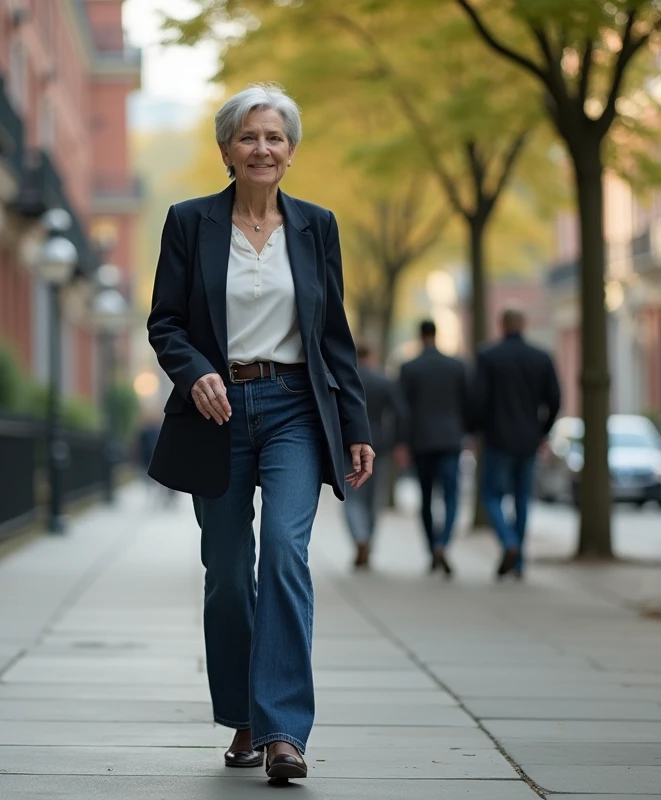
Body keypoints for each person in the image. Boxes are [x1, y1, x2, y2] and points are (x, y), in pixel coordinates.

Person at [145, 83, 373, 782]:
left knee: (283, 553)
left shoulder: (315, 227)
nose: (263, 148)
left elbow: (332, 333)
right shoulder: (189, 222)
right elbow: (166, 324)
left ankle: (282, 732)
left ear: (291, 151)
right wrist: (195, 373)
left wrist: (356, 422)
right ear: (226, 151)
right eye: (249, 137)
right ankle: (244, 713)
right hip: (215, 412)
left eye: (275, 137)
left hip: (295, 409)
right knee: (226, 574)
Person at [473, 307, 561, 579]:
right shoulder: (541, 357)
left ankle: (508, 542)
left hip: (497, 439)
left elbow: (478, 399)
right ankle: (519, 561)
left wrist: (478, 429)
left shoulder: (488, 356)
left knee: (491, 495)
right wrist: (542, 431)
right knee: (522, 498)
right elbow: (555, 400)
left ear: (501, 324)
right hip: (528, 440)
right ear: (524, 324)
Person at [397, 320, 472, 578]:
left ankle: (432, 549)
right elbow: (467, 403)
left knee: (426, 498)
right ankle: (444, 542)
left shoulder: (409, 368)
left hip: (421, 440)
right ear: (436, 334)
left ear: (420, 335)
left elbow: (402, 410)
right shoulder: (456, 366)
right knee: (451, 495)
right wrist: (467, 434)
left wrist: (402, 442)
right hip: (451, 439)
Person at [343, 340, 406, 569]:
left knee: (352, 498)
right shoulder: (384, 380)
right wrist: (399, 442)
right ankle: (368, 540)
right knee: (373, 500)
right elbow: (400, 413)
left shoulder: (345, 379)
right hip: (379, 445)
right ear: (372, 355)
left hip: (347, 447)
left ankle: (359, 538)